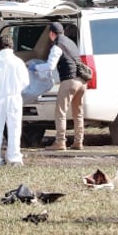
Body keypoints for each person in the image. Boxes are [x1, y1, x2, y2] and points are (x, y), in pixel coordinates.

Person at [0, 34, 30, 166]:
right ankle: (14, 157)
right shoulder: (18, 62)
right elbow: (25, 81)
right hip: (14, 97)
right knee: (15, 128)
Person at [39, 22, 86, 150]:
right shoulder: (71, 43)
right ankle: (78, 141)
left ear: (51, 34)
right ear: (63, 32)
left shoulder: (57, 46)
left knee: (60, 112)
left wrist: (35, 67)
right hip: (81, 81)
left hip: (69, 81)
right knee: (78, 113)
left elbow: (50, 66)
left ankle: (60, 142)